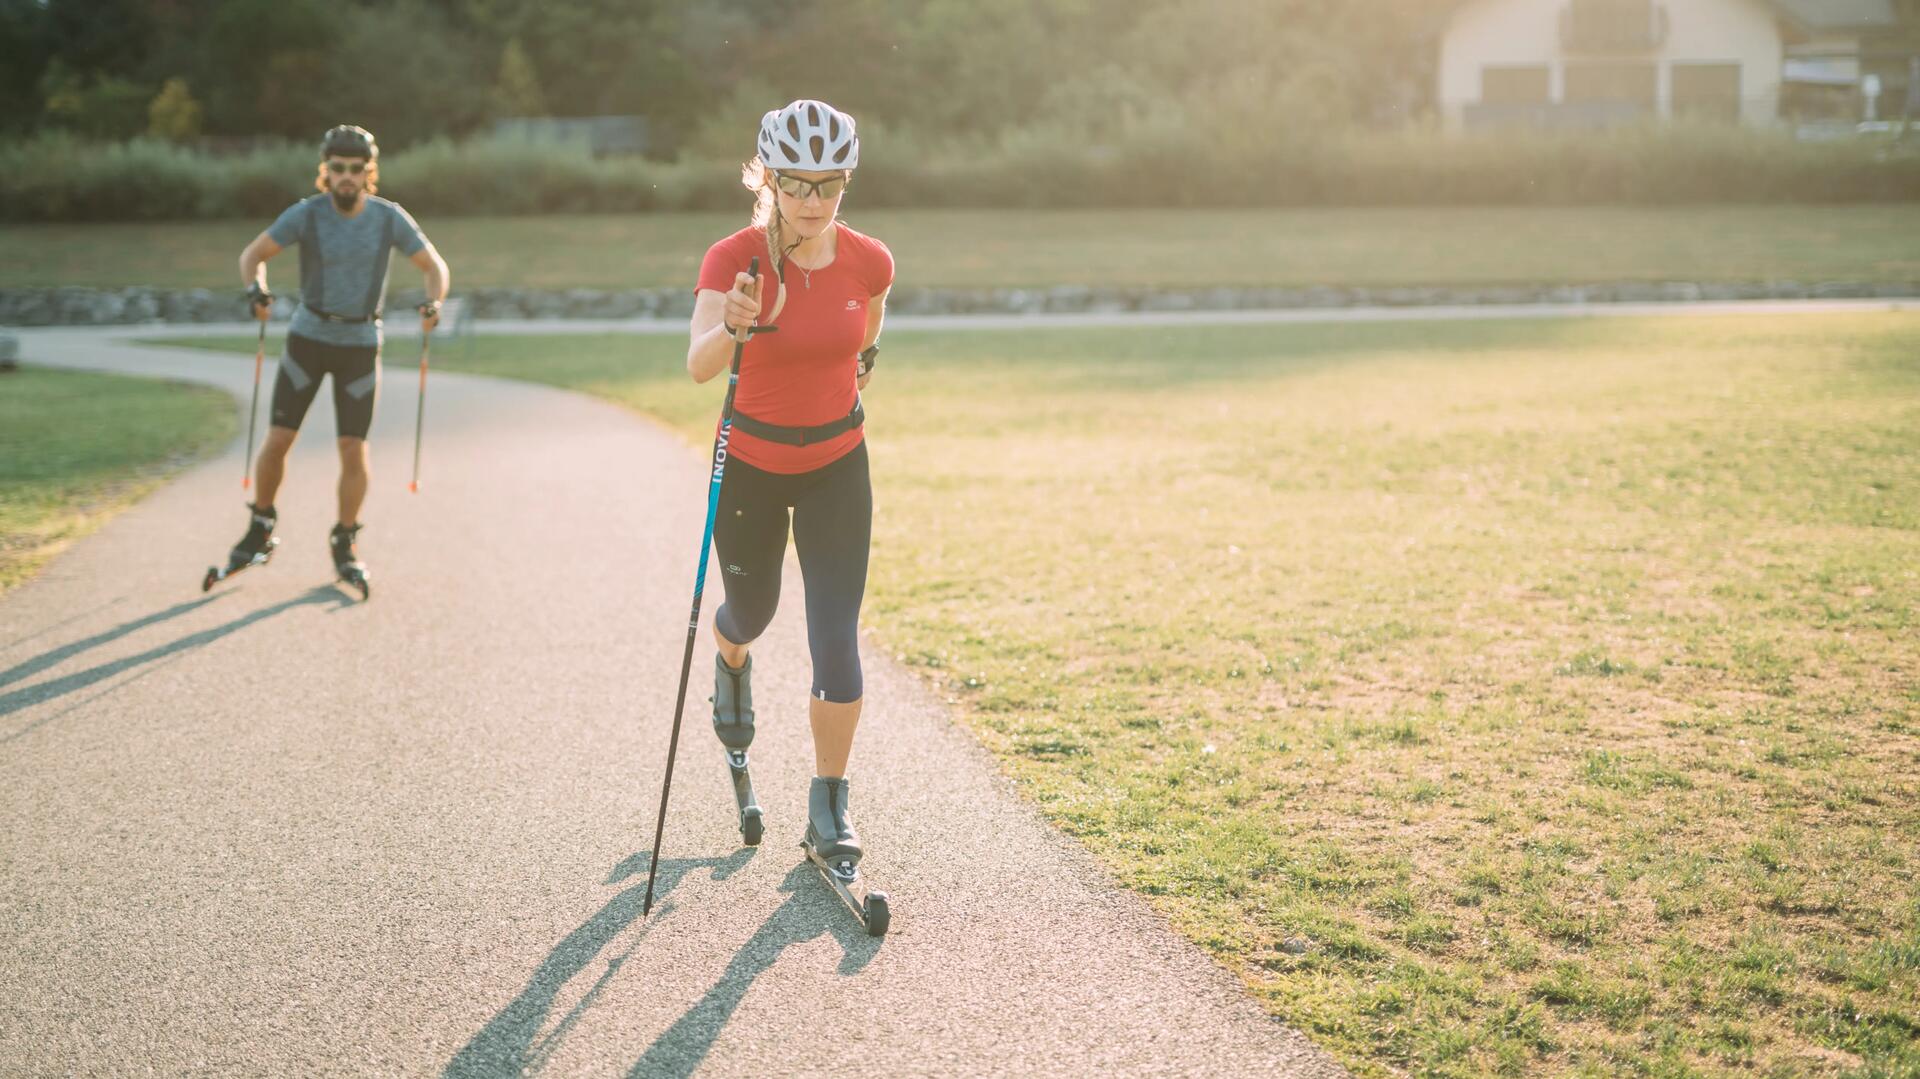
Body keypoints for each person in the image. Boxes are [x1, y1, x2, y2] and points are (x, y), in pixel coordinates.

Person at [689, 99, 891, 870]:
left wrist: (855, 369)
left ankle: (829, 803)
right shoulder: (733, 261)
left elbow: (867, 330)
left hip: (839, 465)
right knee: (754, 610)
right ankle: (729, 655)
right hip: (751, 467)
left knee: (835, 637)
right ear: (769, 178)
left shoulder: (871, 260)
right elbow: (698, 364)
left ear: (846, 182)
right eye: (796, 184)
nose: (812, 201)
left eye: (828, 184)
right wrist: (731, 325)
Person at [229, 124, 449, 586]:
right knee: (279, 440)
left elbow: (434, 268)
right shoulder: (306, 215)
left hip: (361, 345)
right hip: (308, 339)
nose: (345, 177)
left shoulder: (389, 218)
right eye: (337, 169)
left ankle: (345, 539)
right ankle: (260, 528)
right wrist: (257, 291)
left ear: (368, 171)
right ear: (324, 171)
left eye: (354, 169)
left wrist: (435, 303)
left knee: (353, 448)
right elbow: (253, 255)